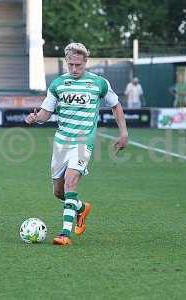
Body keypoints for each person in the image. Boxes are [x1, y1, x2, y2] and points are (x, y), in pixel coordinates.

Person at [25, 42, 128, 246]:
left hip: (83, 141)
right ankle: (81, 208)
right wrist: (35, 118)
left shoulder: (99, 83)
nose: (74, 69)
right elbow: (46, 113)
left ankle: (65, 234)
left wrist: (123, 132)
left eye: (78, 65)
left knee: (71, 181)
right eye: (70, 64)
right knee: (59, 192)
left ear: (85, 62)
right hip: (61, 142)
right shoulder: (57, 84)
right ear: (66, 62)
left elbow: (116, 105)